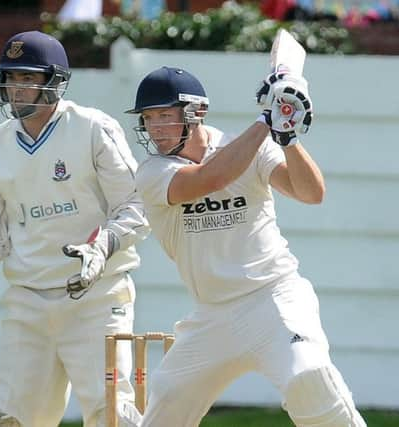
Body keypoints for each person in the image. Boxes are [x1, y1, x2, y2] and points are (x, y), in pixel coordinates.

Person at [125, 66, 367, 427]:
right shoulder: (152, 172)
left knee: (308, 377)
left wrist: (288, 137)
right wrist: (267, 120)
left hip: (273, 298)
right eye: (148, 118)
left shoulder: (251, 147)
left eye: (164, 115)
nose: (156, 128)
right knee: (168, 404)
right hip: (212, 315)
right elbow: (212, 177)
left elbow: (311, 193)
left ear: (196, 112)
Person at [0, 30, 149, 427]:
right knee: (8, 420)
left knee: (112, 416)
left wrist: (102, 247)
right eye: (10, 79)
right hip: (29, 301)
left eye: (26, 78)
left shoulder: (92, 129)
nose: (15, 89)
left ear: (53, 81)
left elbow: (135, 206)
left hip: (96, 298)